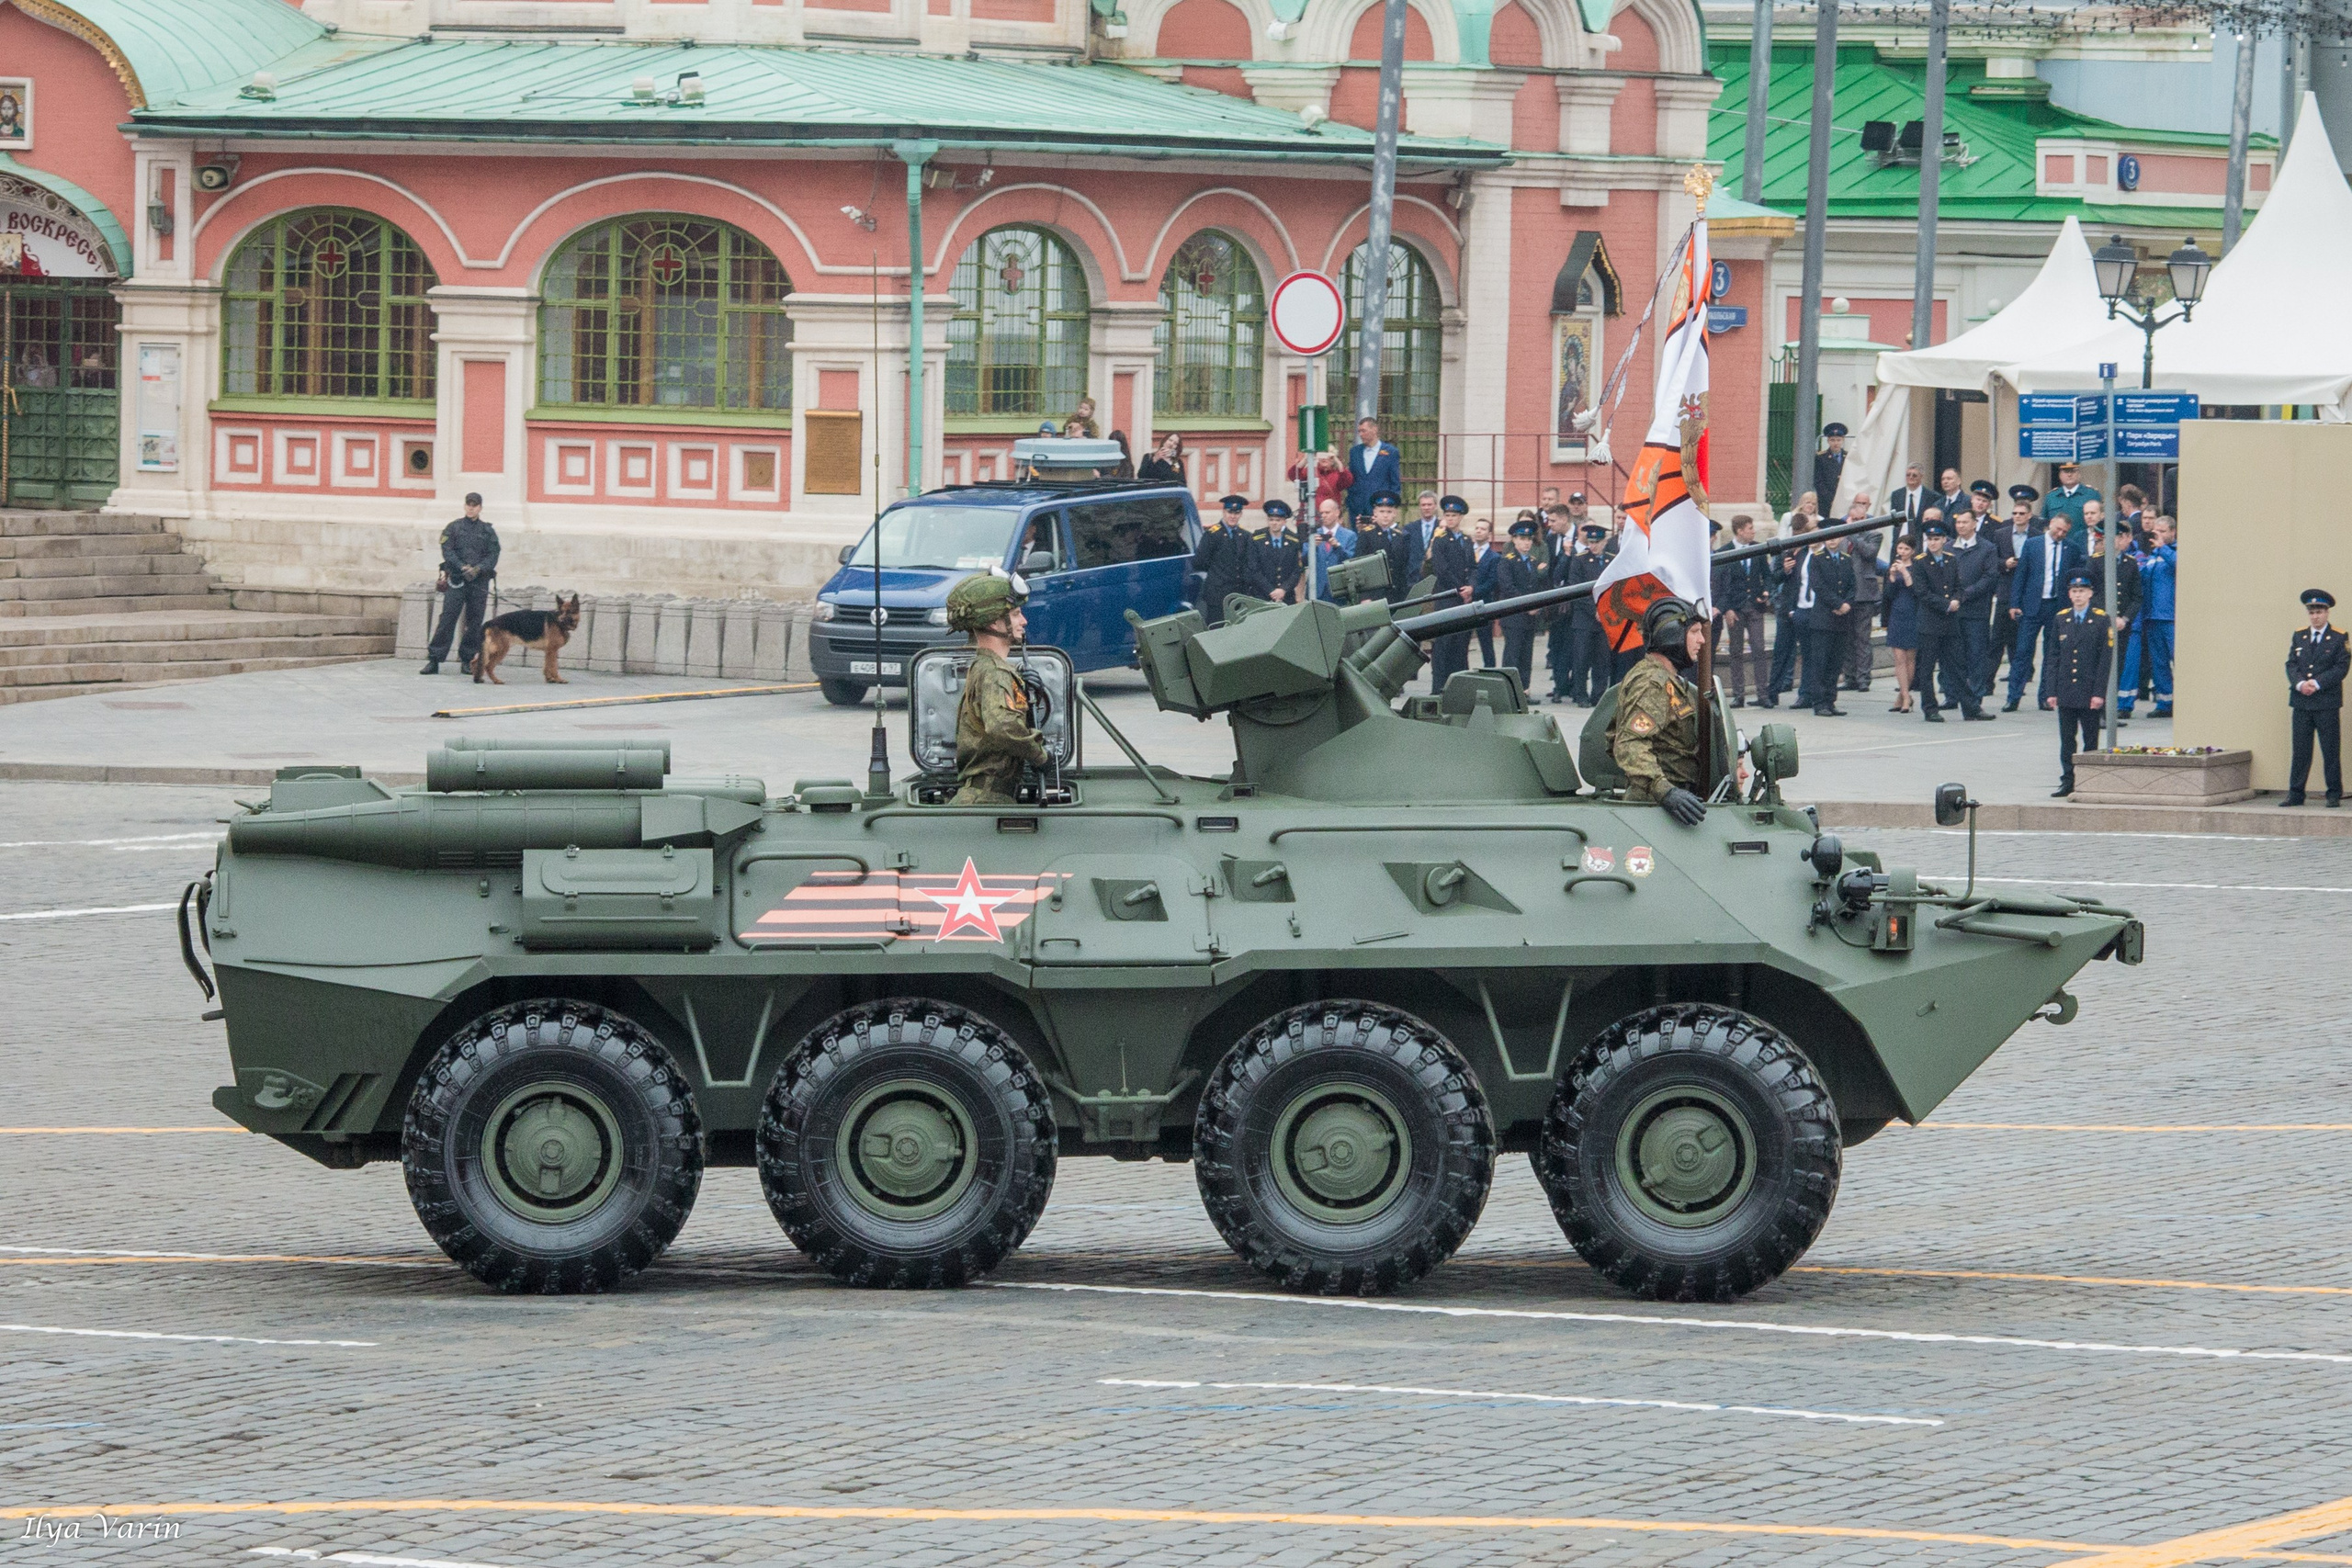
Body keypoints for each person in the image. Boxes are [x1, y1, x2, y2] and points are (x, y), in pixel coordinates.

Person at [1607, 596, 1713, 827]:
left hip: (1672, 804)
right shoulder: (1652, 684)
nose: (1702, 640)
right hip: (1656, 808)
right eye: (1694, 632)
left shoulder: (1666, 679)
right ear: (1671, 635)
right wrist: (1665, 791)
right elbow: (1629, 744)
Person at [944, 573, 1049, 806]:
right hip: (988, 800)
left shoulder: (984, 666)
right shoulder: (995, 672)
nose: (1024, 621)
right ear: (994, 622)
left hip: (984, 797)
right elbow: (1003, 726)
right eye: (1016, 614)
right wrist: (1040, 756)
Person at [2007, 511, 2083, 712]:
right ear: (2051, 524)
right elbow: (2021, 575)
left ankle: (2046, 697)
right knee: (2023, 651)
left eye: (2065, 532)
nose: (2060, 534)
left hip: (2057, 606)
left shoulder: (2072, 549)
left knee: (2052, 654)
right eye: (2058, 529)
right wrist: (2015, 603)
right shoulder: (2033, 544)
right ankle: (2013, 697)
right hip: (2032, 605)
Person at [2045, 567, 2111, 798]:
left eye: (2082, 591)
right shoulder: (2061, 619)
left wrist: (2099, 693)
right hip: (2066, 690)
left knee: (2090, 739)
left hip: (2088, 690)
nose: (2078, 595)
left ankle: (2089, 780)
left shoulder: (2101, 620)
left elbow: (2104, 661)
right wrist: (2051, 690)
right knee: (2067, 740)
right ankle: (2068, 780)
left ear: (2090, 593)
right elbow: (2053, 657)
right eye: (2074, 591)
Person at [1912, 517, 1985, 723]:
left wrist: (1956, 599)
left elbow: (1958, 587)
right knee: (1927, 668)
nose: (1933, 543)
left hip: (1950, 623)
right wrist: (1946, 604)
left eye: (1937, 539)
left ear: (1945, 540)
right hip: (1930, 623)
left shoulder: (1951, 559)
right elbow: (1922, 593)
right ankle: (1930, 708)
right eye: (1930, 539)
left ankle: (1970, 708)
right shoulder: (1920, 562)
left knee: (1957, 666)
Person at [421, 492, 501, 675]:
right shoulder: (453, 527)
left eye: (475, 505)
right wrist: (461, 566)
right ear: (465, 506)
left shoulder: (488, 531)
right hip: (457, 580)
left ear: (480, 508)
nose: (471, 508)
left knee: (475, 623)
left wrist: (479, 568)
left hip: (478, 582)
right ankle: (434, 660)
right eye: (469, 505)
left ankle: (467, 659)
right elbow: (447, 550)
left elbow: (493, 554)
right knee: (447, 619)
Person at [2286, 588, 2347, 807]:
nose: (2315, 617)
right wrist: (2300, 683)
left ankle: (2333, 793)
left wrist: (2317, 683)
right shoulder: (2299, 635)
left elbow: (2341, 667)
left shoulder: (2339, 636)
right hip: (2302, 702)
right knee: (2300, 750)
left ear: (2327, 612)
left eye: (2319, 612)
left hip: (2326, 703)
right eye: (2311, 612)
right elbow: (2291, 664)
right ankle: (2295, 794)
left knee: (2330, 750)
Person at [1792, 527, 1854, 716]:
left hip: (1841, 619)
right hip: (1823, 618)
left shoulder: (1846, 559)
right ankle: (1819, 702)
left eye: (1835, 537)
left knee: (1835, 662)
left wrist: (1847, 603)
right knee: (1820, 662)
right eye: (1828, 537)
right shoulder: (1817, 558)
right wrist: (1837, 604)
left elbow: (1852, 585)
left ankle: (1830, 700)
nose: (1832, 541)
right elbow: (1818, 585)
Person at [2121, 516, 2177, 718]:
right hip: (2152, 617)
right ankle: (2165, 703)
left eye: (2162, 531)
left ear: (2173, 532)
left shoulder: (2174, 551)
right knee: (2159, 663)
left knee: (2177, 659)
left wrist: (2163, 548)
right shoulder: (2153, 555)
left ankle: (2187, 704)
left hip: (2171, 617)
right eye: (2156, 531)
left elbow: (2179, 565)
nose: (2157, 535)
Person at [1713, 513, 1770, 706]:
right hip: (1735, 609)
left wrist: (1766, 591)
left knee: (1759, 649)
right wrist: (1726, 609)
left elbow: (1767, 575)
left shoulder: (1758, 549)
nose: (1753, 531)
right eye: (1750, 528)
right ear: (1739, 531)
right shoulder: (1725, 552)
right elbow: (1720, 584)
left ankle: (1763, 694)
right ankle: (1739, 694)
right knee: (1736, 651)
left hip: (1755, 606)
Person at [1947, 506, 2000, 713]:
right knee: (1954, 656)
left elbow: (1990, 577)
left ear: (1974, 524)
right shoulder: (1949, 547)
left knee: (1976, 655)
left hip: (1976, 611)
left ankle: (1975, 699)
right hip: (1953, 611)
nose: (1960, 526)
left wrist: (1966, 593)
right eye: (1958, 522)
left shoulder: (1987, 548)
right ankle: (1952, 695)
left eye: (1964, 522)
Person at [1760, 514, 1815, 708]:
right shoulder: (1786, 551)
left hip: (1804, 608)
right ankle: (1772, 693)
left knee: (1807, 653)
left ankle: (1805, 694)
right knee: (1781, 652)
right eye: (1795, 532)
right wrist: (1785, 570)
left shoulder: (1810, 553)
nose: (1797, 536)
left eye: (1800, 532)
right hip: (1786, 608)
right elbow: (1774, 578)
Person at [1425, 496, 1477, 689]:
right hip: (1448, 597)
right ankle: (1439, 686)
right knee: (1443, 644)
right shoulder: (1440, 540)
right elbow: (1442, 569)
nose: (1450, 519)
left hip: (1464, 598)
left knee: (1461, 644)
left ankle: (1460, 686)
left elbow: (1473, 567)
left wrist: (1471, 586)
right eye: (1447, 515)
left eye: (1454, 515)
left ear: (1461, 517)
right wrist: (1460, 588)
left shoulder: (1467, 540)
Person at [1557, 521, 1610, 705]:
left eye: (1597, 542)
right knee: (1581, 659)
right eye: (1591, 542)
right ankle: (1580, 694)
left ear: (1604, 542)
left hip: (1605, 619)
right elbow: (1577, 589)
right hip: (1584, 619)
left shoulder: (1611, 560)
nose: (1593, 546)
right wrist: (1594, 610)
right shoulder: (1579, 559)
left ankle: (1599, 695)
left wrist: (1605, 611)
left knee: (1602, 661)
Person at [1493, 518, 1544, 689]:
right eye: (1522, 539)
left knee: (1526, 655)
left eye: (1529, 539)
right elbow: (1508, 588)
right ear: (1514, 540)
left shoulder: (1533, 561)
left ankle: (1524, 690)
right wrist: (1528, 605)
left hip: (1529, 617)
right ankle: (1509, 690)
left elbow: (1536, 587)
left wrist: (1537, 605)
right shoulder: (1507, 561)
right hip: (1514, 615)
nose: (1526, 543)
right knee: (1512, 655)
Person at [1841, 507, 1883, 693]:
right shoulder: (1842, 537)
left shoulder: (1874, 535)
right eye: (1855, 519)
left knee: (1862, 638)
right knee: (1847, 638)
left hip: (1865, 594)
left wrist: (1852, 535)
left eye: (1861, 519)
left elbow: (1869, 553)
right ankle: (1849, 677)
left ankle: (1864, 678)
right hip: (1846, 594)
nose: (1858, 522)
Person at [1193, 493, 1250, 626]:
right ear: (1224, 512)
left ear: (1241, 514)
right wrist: (1216, 572)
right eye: (1230, 512)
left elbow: (1247, 563)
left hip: (1238, 595)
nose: (1233, 516)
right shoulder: (1213, 534)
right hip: (1217, 595)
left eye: (1236, 513)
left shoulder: (1245, 536)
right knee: (1217, 628)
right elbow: (1199, 562)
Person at [1882, 537, 1920, 713]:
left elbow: (1916, 592)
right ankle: (1905, 696)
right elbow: (1888, 595)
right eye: (1900, 548)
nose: (1902, 552)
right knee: (1899, 658)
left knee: (1910, 658)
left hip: (1913, 613)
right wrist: (1891, 576)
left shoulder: (1917, 567)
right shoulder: (1893, 567)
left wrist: (1905, 573)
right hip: (1897, 614)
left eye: (1906, 549)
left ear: (1912, 551)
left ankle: (1902, 696)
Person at [1346, 416, 1403, 519]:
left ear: (1374, 430)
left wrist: (1391, 504)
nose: (1360, 434)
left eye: (1364, 431)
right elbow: (1351, 478)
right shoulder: (1355, 452)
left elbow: (1395, 481)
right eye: (1359, 431)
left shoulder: (1390, 452)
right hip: (1357, 507)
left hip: (1380, 506)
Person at [1252, 500, 1303, 604]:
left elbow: (1296, 570)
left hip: (1286, 597)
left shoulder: (1293, 540)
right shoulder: (1257, 539)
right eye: (1271, 520)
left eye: (1278, 520)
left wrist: (1283, 589)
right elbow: (1254, 569)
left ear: (1284, 521)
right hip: (1262, 596)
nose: (1274, 523)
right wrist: (1271, 590)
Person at [1306, 499, 1356, 602]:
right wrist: (1313, 547)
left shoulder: (1349, 536)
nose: (1324, 516)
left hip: (1340, 590)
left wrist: (1338, 547)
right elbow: (1304, 560)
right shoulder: (1313, 534)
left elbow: (1352, 561)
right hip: (1317, 591)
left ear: (1337, 513)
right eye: (1321, 513)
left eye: (1327, 512)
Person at [1470, 517, 1501, 669]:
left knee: (1486, 642)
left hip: (1484, 603)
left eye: (1482, 529)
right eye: (1477, 528)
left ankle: (1490, 670)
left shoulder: (1494, 557)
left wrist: (1473, 592)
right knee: (1461, 642)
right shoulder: (1466, 551)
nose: (1478, 531)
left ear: (1489, 534)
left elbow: (1492, 581)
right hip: (1465, 603)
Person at [2042, 459, 2099, 531]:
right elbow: (2044, 523)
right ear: (2060, 475)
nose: (2069, 475)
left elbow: (2100, 521)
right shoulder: (2051, 497)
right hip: (2058, 537)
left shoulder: (2091, 494)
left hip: (2083, 537)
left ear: (2079, 474)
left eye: (2073, 471)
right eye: (2066, 472)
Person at [1812, 423, 1849, 511]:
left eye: (1838, 440)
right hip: (1826, 501)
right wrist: (1830, 499)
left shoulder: (1848, 456)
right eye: (1832, 440)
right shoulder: (1821, 458)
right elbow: (1818, 481)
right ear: (1828, 441)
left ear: (1843, 440)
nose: (1836, 443)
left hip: (1845, 498)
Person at [1891, 464, 1930, 540]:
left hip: (1921, 539)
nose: (1911, 477)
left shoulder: (1931, 496)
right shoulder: (1896, 495)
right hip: (1900, 538)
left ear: (1921, 476)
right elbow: (1894, 520)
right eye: (1908, 475)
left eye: (1914, 475)